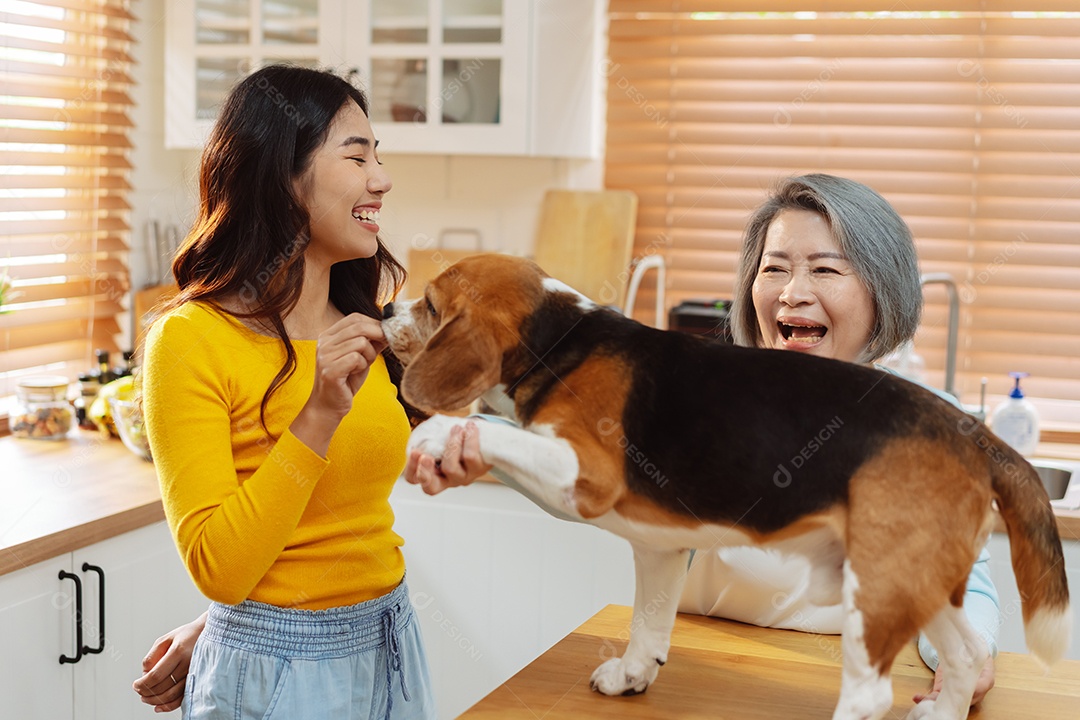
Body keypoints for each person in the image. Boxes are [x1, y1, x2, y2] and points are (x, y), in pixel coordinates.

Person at [405, 174, 1001, 706]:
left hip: (811, 681)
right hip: (697, 675)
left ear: (881, 292)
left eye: (824, 269)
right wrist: (483, 446)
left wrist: (964, 660)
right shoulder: (699, 391)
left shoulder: (922, 423)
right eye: (774, 268)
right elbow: (595, 480)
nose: (792, 291)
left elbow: (961, 577)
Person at [131, 64, 487, 718]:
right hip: (276, 677)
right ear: (280, 176)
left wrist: (452, 453)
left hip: (391, 647)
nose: (381, 178)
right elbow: (220, 568)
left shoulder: (361, 322)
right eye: (356, 156)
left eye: (378, 156)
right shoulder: (191, 339)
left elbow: (331, 518)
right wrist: (317, 414)